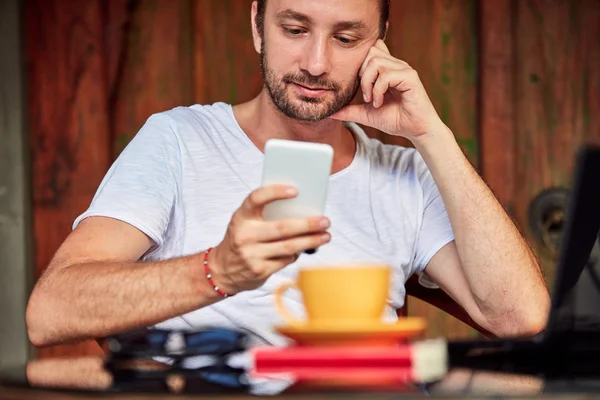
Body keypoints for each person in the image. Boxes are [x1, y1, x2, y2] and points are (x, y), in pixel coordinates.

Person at [27, 0, 549, 359]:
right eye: (294, 30)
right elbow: (51, 312)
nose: (316, 63)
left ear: (380, 43)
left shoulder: (406, 173)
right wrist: (220, 270)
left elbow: (519, 316)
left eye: (346, 37)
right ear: (257, 24)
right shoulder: (179, 140)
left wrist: (431, 134)